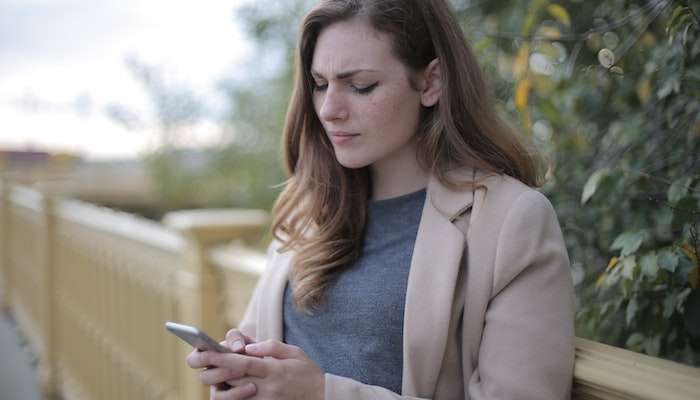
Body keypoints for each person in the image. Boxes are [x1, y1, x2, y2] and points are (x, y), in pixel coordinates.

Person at [186, 0, 575, 399]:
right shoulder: (309, 211)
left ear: (431, 82)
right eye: (320, 84)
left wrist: (322, 394)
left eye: (360, 86)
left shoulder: (511, 221)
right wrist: (241, 369)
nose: (329, 109)